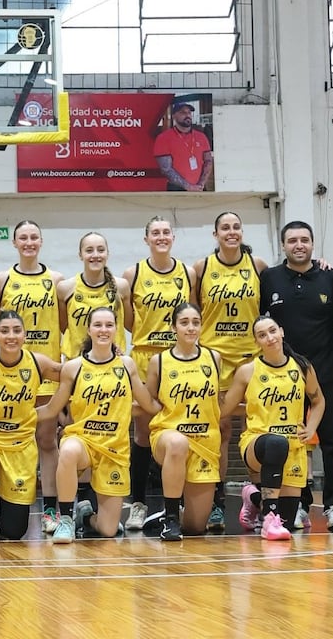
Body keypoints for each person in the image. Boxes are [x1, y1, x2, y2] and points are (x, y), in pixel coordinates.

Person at [37, 307, 157, 543]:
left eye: (109, 325)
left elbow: (147, 404)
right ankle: (66, 520)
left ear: (116, 329)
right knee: (68, 450)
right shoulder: (74, 367)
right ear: (89, 329)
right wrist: (19, 416)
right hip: (83, 441)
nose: (104, 330)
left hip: (114, 448)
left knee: (108, 530)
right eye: (98, 325)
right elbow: (52, 409)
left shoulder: (127, 365)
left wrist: (175, 409)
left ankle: (86, 517)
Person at [259, 220, 333, 530]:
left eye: (305, 240)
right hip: (286, 377)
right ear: (283, 245)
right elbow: (263, 325)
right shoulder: (269, 278)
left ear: (313, 244)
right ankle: (297, 504)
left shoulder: (332, 278)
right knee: (292, 443)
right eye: (293, 240)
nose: (299, 245)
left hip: (328, 371)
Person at [0, 220, 66, 534]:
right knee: (5, 438)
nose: (29, 242)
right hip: (9, 373)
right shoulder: (3, 279)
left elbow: (67, 325)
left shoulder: (56, 280)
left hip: (43, 367)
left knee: (46, 440)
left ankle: (51, 509)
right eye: (23, 238)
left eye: (34, 237)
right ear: (14, 243)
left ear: (41, 242)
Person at [192, 211, 268, 530]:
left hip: (250, 358)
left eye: (237, 226)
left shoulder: (258, 266)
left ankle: (262, 498)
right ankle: (217, 503)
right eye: (225, 227)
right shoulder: (202, 268)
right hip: (216, 359)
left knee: (258, 428)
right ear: (215, 234)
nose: (232, 232)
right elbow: (193, 310)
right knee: (219, 431)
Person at [0, 311, 62, 545]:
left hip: (20, 446)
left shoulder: (37, 362)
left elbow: (71, 374)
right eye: (5, 330)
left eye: (16, 330)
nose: (11, 336)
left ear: (25, 335)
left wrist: (51, 409)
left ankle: (1, 522)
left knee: (14, 531)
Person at [219, 316, 325, 540]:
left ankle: (253, 498)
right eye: (262, 335)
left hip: (293, 448)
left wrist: (311, 426)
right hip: (257, 443)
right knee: (276, 442)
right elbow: (225, 409)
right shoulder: (248, 371)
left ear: (282, 332)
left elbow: (318, 401)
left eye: (272, 331)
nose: (269, 338)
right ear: (256, 342)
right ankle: (268, 520)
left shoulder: (302, 367)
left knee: (287, 520)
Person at [122, 216, 196, 530]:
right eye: (156, 233)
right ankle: (138, 503)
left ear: (173, 237)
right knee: (141, 433)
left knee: (179, 429)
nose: (161, 237)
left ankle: (175, 502)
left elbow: (191, 316)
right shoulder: (133, 274)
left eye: (166, 232)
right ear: (146, 239)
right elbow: (128, 321)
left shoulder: (188, 272)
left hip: (178, 360)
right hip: (144, 356)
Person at [145, 303, 221, 541]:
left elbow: (218, 400)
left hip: (205, 441)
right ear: (173, 327)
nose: (191, 328)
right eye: (184, 322)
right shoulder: (159, 361)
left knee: (196, 527)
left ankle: (167, 516)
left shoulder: (214, 358)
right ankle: (170, 518)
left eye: (195, 322)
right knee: (178, 443)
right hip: (168, 436)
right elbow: (150, 401)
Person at [58, 232, 130, 361]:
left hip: (113, 362)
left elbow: (128, 323)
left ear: (108, 253)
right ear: (80, 255)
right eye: (89, 250)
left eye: (101, 250)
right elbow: (64, 326)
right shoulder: (65, 288)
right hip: (76, 362)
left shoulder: (122, 286)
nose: (95, 255)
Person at [153, 101, 213, 192]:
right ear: (174, 116)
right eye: (182, 112)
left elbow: (208, 161)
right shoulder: (164, 138)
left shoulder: (201, 137)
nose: (187, 115)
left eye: (189, 112)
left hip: (199, 187)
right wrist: (188, 186)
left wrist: (201, 184)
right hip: (177, 189)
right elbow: (166, 169)